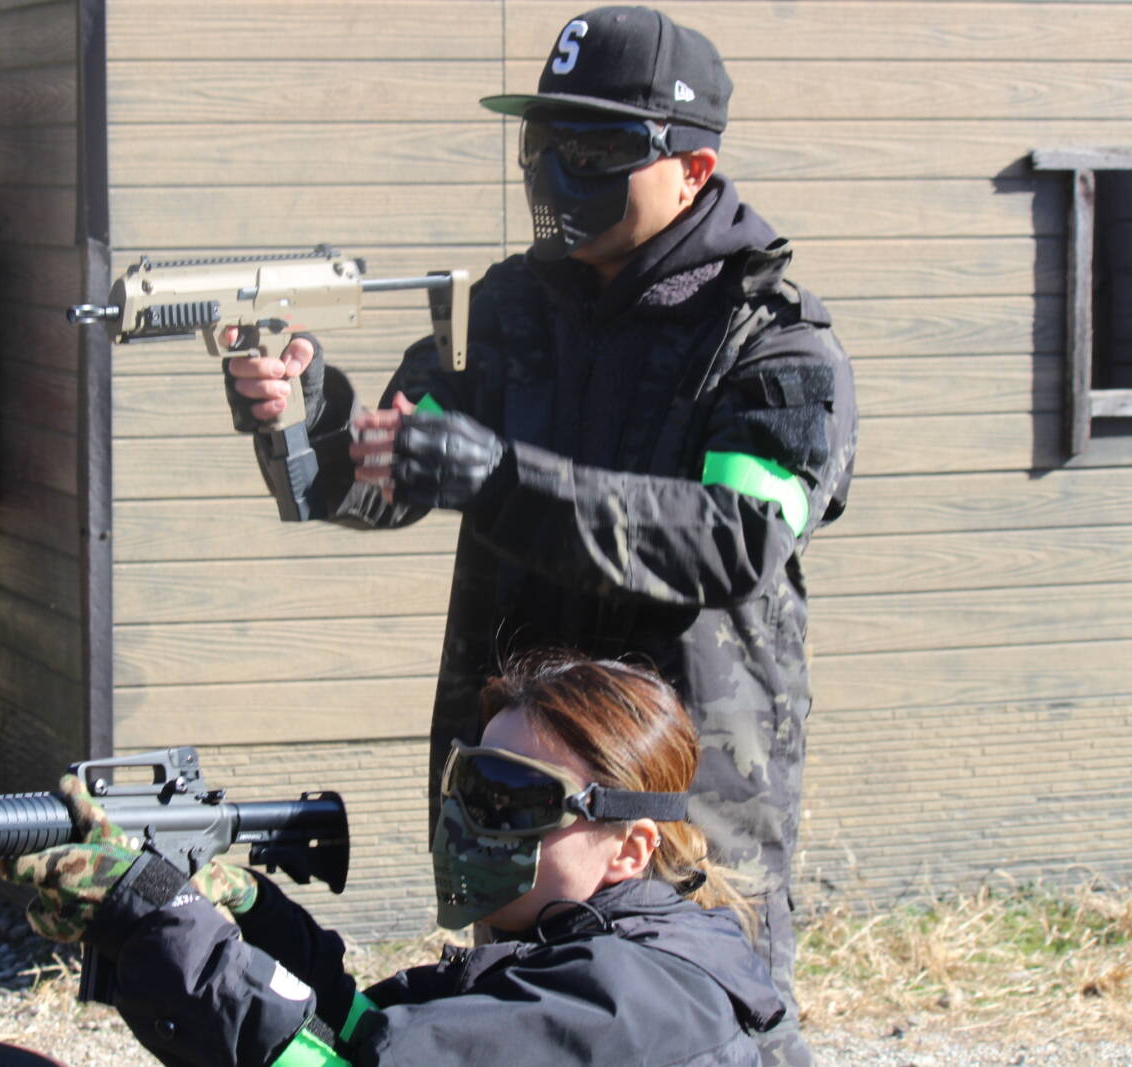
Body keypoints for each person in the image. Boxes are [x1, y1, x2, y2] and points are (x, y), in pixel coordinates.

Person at [223, 7, 857, 1062]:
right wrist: (306, 409)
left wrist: (504, 477)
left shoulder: (771, 339)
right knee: (506, 1024)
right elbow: (379, 477)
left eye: (598, 150)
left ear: (693, 168)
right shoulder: (505, 310)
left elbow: (735, 538)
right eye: (544, 142)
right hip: (520, 787)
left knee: (702, 1029)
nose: (558, 173)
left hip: (675, 794)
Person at [0, 653, 786, 1066]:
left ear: (631, 845)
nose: (470, 820)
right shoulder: (608, 954)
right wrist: (255, 917)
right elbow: (381, 1038)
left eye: (513, 798)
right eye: (468, 785)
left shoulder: (625, 998)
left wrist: (157, 917)